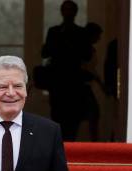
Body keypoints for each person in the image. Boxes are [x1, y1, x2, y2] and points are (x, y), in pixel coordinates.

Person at [41, 0, 92, 141]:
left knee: (74, 117)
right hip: (57, 81)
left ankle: (70, 145)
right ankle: (59, 145)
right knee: (57, 115)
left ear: (75, 13)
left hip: (74, 81)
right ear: (62, 12)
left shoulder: (81, 33)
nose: (68, 13)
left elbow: (87, 56)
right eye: (65, 9)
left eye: (70, 10)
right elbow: (44, 53)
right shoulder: (54, 31)